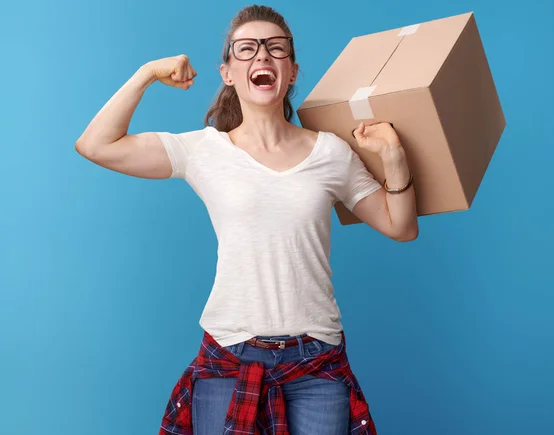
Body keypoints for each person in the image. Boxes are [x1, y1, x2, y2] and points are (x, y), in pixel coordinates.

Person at [75, 4, 418, 435]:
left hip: (315, 361)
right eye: (247, 49)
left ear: (292, 71)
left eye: (276, 48)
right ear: (228, 72)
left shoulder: (331, 151)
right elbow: (95, 144)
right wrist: (147, 72)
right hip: (229, 357)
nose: (262, 56)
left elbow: (401, 226)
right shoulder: (204, 151)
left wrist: (393, 156)